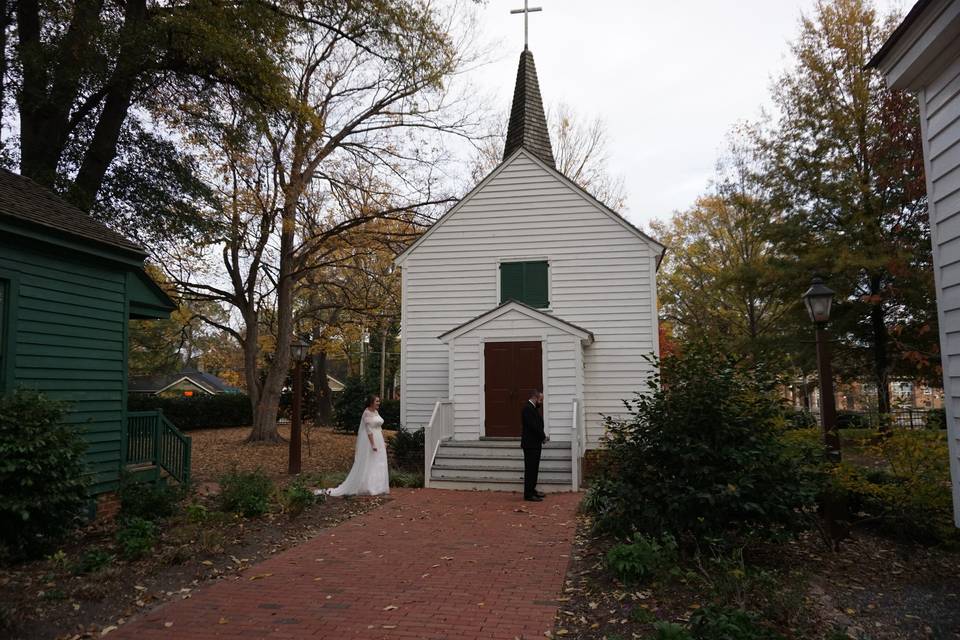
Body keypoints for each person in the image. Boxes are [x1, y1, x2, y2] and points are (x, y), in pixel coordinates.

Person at [318, 395, 389, 497]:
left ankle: (377, 486)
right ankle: (368, 486)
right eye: (377, 401)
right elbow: (369, 431)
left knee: (378, 462)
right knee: (369, 462)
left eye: (379, 401)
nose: (379, 403)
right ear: (371, 402)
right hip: (370, 441)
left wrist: (383, 441)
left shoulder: (376, 412)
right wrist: (373, 444)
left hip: (379, 439)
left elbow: (379, 428)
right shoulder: (366, 413)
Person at [521, 390, 547, 501]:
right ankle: (528, 494)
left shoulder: (533, 409)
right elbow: (534, 426)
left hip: (535, 444)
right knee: (530, 469)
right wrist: (543, 437)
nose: (541, 402)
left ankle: (532, 489)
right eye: (540, 400)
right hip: (530, 444)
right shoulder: (527, 409)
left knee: (534, 468)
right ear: (535, 398)